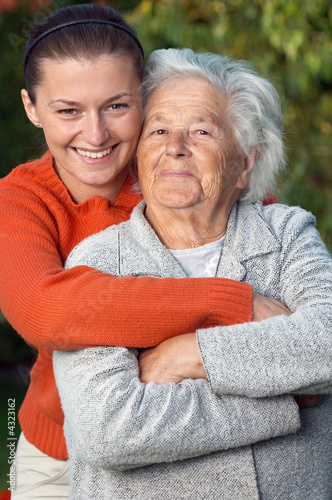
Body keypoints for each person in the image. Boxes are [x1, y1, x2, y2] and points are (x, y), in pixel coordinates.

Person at [0, 4, 281, 499]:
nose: (95, 134)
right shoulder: (21, 200)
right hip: (60, 456)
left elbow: (274, 264)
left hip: (200, 430)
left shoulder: (188, 174)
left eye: (117, 106)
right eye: (68, 111)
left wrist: (186, 350)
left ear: (145, 98)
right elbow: (45, 310)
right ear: (31, 107)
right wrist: (230, 302)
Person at [53, 48, 332, 499]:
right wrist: (284, 396)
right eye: (159, 129)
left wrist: (191, 355)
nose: (175, 147)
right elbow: (110, 429)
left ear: (244, 163)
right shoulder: (98, 262)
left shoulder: (284, 233)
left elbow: (329, 341)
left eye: (201, 131)